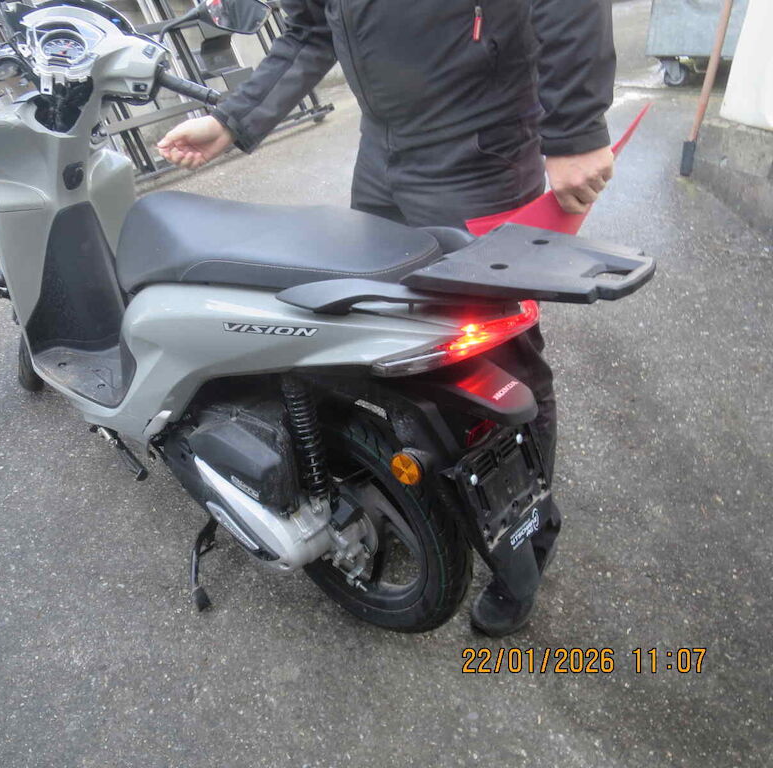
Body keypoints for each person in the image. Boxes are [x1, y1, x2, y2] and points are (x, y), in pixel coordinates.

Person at [157, 0, 616, 636]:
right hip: (384, 156)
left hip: (480, 151)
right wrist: (233, 120)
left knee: (497, 357)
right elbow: (313, 24)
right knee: (370, 334)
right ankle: (408, 480)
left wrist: (576, 131)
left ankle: (525, 541)